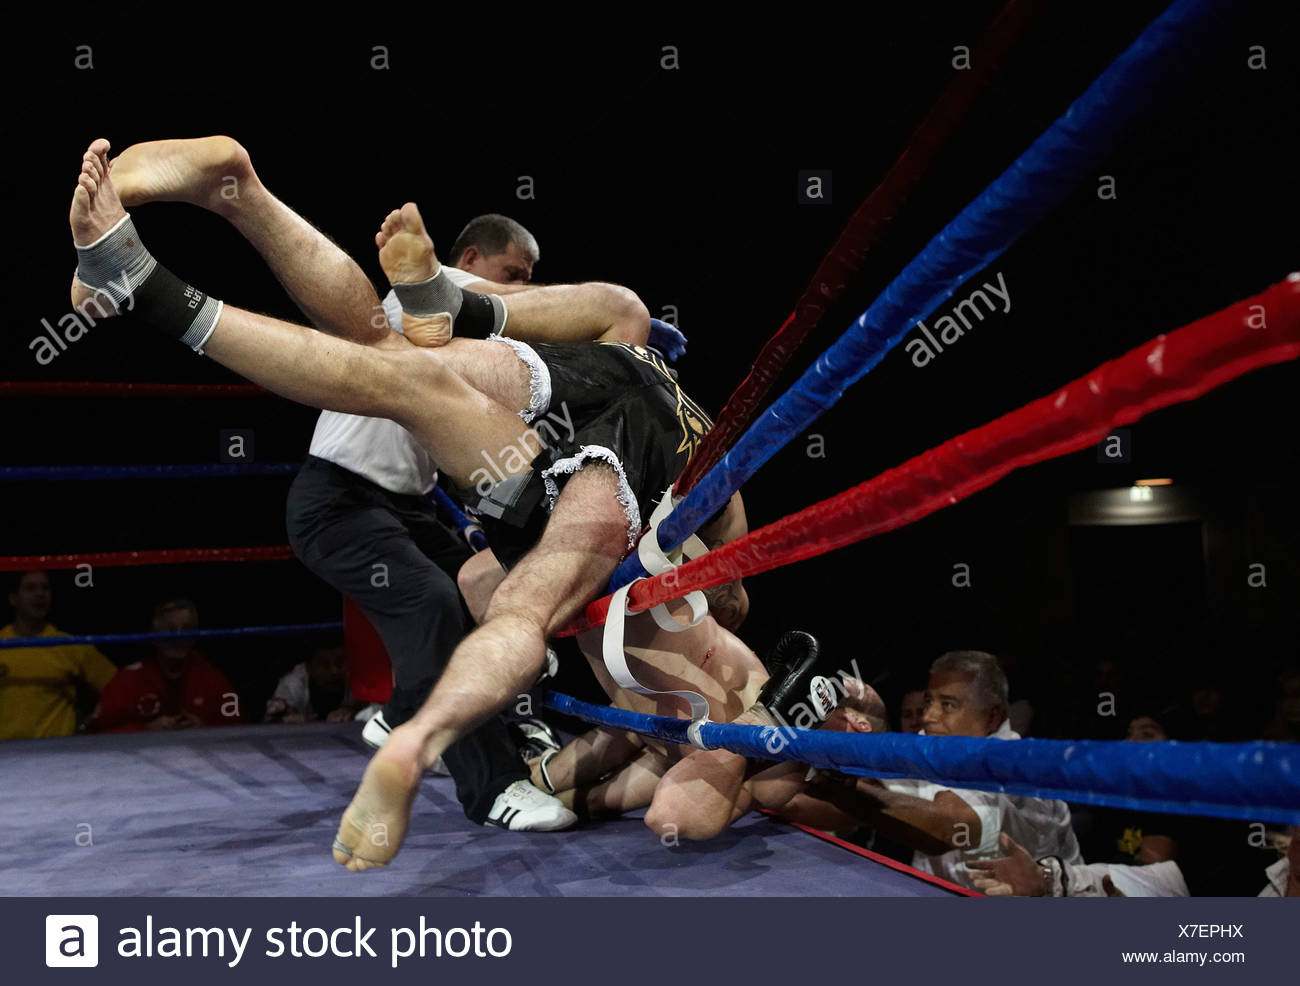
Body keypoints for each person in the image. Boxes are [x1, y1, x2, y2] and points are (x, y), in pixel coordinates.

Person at [65, 136, 721, 870]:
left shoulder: (553, 339)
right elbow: (719, 607)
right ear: (474, 261)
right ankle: (479, 771)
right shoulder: (693, 538)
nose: (529, 288)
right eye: (515, 276)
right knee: (419, 402)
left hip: (492, 472)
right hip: (374, 493)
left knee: (451, 393)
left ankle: (184, 241)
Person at [86, 599, 243, 732]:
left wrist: (202, 728)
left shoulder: (212, 679)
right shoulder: (128, 680)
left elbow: (237, 730)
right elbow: (97, 733)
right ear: (154, 636)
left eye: (187, 630)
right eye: (170, 630)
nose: (179, 637)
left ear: (195, 636)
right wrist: (145, 730)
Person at [0, 570, 117, 740]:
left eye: (45, 588)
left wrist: (93, 723)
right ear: (13, 598)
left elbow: (119, 689)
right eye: (30, 588)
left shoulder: (70, 645)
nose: (40, 594)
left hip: (56, 754)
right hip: (6, 755)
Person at [266, 641, 362, 723]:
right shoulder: (293, 682)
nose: (334, 671)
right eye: (324, 664)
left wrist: (355, 711)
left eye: (340, 662)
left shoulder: (358, 677)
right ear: (309, 667)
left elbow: (371, 710)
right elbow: (272, 717)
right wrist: (286, 715)